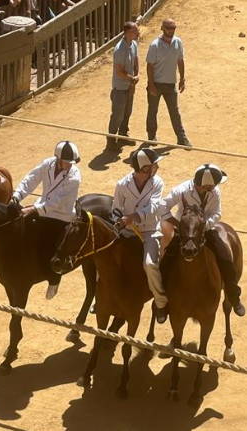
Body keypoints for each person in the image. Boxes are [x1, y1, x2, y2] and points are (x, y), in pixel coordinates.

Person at [159, 164, 245, 316]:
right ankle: (163, 303)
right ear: (203, 185)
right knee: (166, 261)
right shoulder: (182, 190)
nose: (215, 188)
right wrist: (177, 223)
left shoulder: (214, 192)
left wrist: (204, 225)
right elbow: (162, 206)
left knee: (225, 258)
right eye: (211, 186)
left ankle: (233, 296)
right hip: (184, 233)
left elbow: (217, 213)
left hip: (207, 231)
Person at [10, 140, 81, 299]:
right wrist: (17, 196)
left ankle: (54, 279)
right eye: (66, 162)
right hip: (41, 210)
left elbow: (57, 201)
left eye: (71, 162)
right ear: (57, 158)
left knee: (50, 248)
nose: (70, 165)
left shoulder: (74, 177)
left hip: (60, 216)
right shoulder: (47, 164)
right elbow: (31, 179)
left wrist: (32, 209)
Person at [113, 148, 167, 323]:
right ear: (144, 169)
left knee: (150, 264)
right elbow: (116, 208)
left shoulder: (157, 182)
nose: (157, 167)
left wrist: (133, 217)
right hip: (127, 231)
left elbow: (155, 208)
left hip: (150, 230)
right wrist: (119, 222)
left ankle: (160, 302)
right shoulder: (122, 185)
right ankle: (100, 298)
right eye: (153, 165)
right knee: (105, 257)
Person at [146, 18, 191, 147]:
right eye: (169, 28)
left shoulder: (178, 42)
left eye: (173, 28)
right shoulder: (155, 45)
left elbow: (180, 60)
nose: (171, 31)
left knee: (175, 111)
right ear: (162, 28)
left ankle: (181, 138)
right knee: (152, 111)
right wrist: (151, 84)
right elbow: (149, 66)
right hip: (156, 84)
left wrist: (182, 78)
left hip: (171, 84)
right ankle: (151, 137)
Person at [106, 21, 139, 152]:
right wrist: (132, 79)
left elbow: (136, 60)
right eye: (135, 31)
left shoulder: (134, 44)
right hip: (120, 87)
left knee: (127, 112)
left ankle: (123, 135)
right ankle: (111, 140)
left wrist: (137, 75)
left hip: (129, 85)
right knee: (117, 115)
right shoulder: (119, 49)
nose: (137, 32)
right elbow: (119, 71)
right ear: (127, 33)